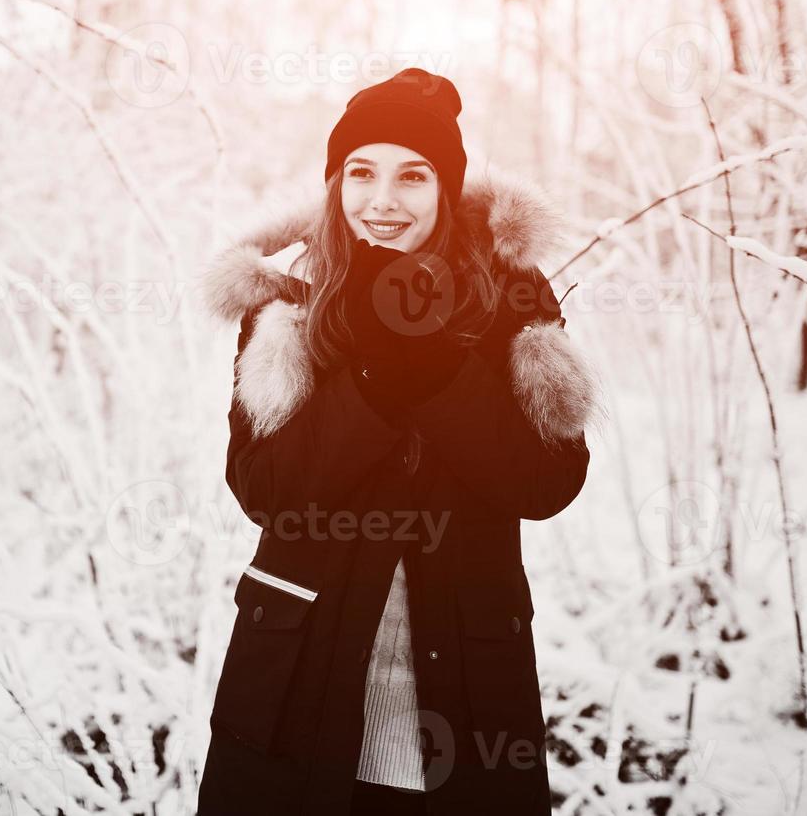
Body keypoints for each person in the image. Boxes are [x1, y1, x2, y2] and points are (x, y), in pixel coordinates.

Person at [194, 68, 603, 815]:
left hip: (467, 697)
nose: (382, 200)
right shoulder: (289, 303)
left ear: (446, 187)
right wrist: (372, 381)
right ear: (334, 183)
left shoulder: (508, 293)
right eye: (360, 173)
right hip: (295, 685)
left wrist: (443, 370)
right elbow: (266, 492)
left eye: (412, 176)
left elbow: (545, 484)